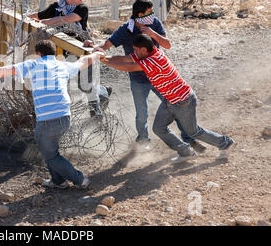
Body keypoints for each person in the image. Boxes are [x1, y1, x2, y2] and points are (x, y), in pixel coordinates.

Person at [0, 40, 104, 188]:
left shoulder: (33, 65)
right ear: (54, 53)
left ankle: (80, 180)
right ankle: (58, 181)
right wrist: (97, 54)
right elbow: (84, 60)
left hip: (49, 120)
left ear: (38, 54)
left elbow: (5, 70)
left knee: (51, 155)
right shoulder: (63, 65)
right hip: (65, 118)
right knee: (47, 147)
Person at [84, 0, 207, 153]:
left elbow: (167, 45)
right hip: (138, 79)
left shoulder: (154, 24)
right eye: (149, 13)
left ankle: (189, 140)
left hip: (160, 79)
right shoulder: (125, 30)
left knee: (176, 107)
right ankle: (143, 140)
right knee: (142, 113)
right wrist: (94, 47)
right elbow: (106, 46)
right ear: (139, 14)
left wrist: (153, 34)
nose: (152, 16)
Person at [100, 34, 237, 163]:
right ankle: (185, 152)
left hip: (183, 101)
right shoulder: (148, 53)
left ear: (143, 49)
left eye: (136, 50)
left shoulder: (153, 60)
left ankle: (226, 143)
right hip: (171, 100)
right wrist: (105, 57)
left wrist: (105, 61)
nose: (134, 53)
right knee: (159, 128)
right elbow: (126, 59)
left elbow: (129, 67)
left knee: (194, 131)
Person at [28, 0, 111, 118]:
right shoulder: (56, 7)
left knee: (85, 85)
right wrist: (25, 19)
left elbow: (67, 19)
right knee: (71, 84)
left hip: (82, 50)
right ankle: (102, 91)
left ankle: (97, 114)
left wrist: (46, 22)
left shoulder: (82, 8)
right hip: (63, 52)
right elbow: (38, 15)